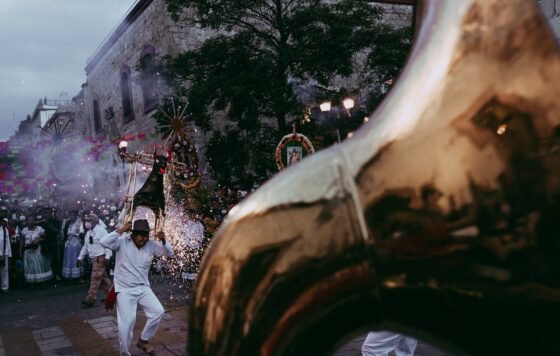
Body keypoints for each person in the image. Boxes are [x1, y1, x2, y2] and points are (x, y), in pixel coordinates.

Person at [100, 220, 174, 356]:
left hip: (143, 287)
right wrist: (121, 229)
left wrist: (163, 240)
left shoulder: (151, 245)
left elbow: (169, 254)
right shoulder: (122, 241)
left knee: (158, 312)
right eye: (140, 235)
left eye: (146, 235)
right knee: (126, 324)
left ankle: (143, 340)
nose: (144, 238)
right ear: (133, 234)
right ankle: (124, 353)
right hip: (124, 289)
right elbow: (103, 242)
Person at [77, 213, 112, 307]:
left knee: (95, 278)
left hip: (100, 257)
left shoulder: (102, 231)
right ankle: (111, 295)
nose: (87, 222)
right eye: (87, 220)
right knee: (103, 278)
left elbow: (108, 244)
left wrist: (108, 257)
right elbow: (85, 246)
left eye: (89, 220)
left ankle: (90, 299)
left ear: (95, 221)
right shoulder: (89, 232)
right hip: (94, 258)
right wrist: (80, 258)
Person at [20, 217, 53, 284]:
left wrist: (38, 240)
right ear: (27, 221)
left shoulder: (40, 229)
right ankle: (32, 282)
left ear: (35, 221)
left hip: (37, 250)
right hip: (27, 250)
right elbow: (22, 241)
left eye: (32, 220)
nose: (31, 221)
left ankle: (41, 282)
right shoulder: (24, 230)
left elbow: (44, 237)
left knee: (38, 266)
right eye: (29, 220)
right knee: (30, 267)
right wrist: (20, 251)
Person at [38, 207, 62, 281]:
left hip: (54, 242)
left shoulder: (56, 221)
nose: (48, 214)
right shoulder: (41, 222)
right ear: (44, 214)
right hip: (45, 243)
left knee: (55, 260)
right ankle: (49, 276)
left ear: (52, 213)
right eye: (46, 212)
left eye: (49, 212)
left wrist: (49, 224)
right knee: (46, 260)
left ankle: (57, 274)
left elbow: (58, 231)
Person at [61, 210, 84, 280]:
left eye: (72, 215)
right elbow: (63, 232)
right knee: (68, 259)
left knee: (75, 258)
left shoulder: (79, 223)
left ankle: (76, 275)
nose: (71, 217)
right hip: (68, 244)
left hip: (76, 243)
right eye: (70, 215)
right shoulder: (67, 223)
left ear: (76, 216)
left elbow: (81, 233)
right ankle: (69, 275)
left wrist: (75, 234)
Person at [0, 217, 11, 293]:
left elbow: (8, 243)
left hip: (4, 253)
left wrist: (9, 254)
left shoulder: (4, 230)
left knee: (4, 270)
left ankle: (4, 287)